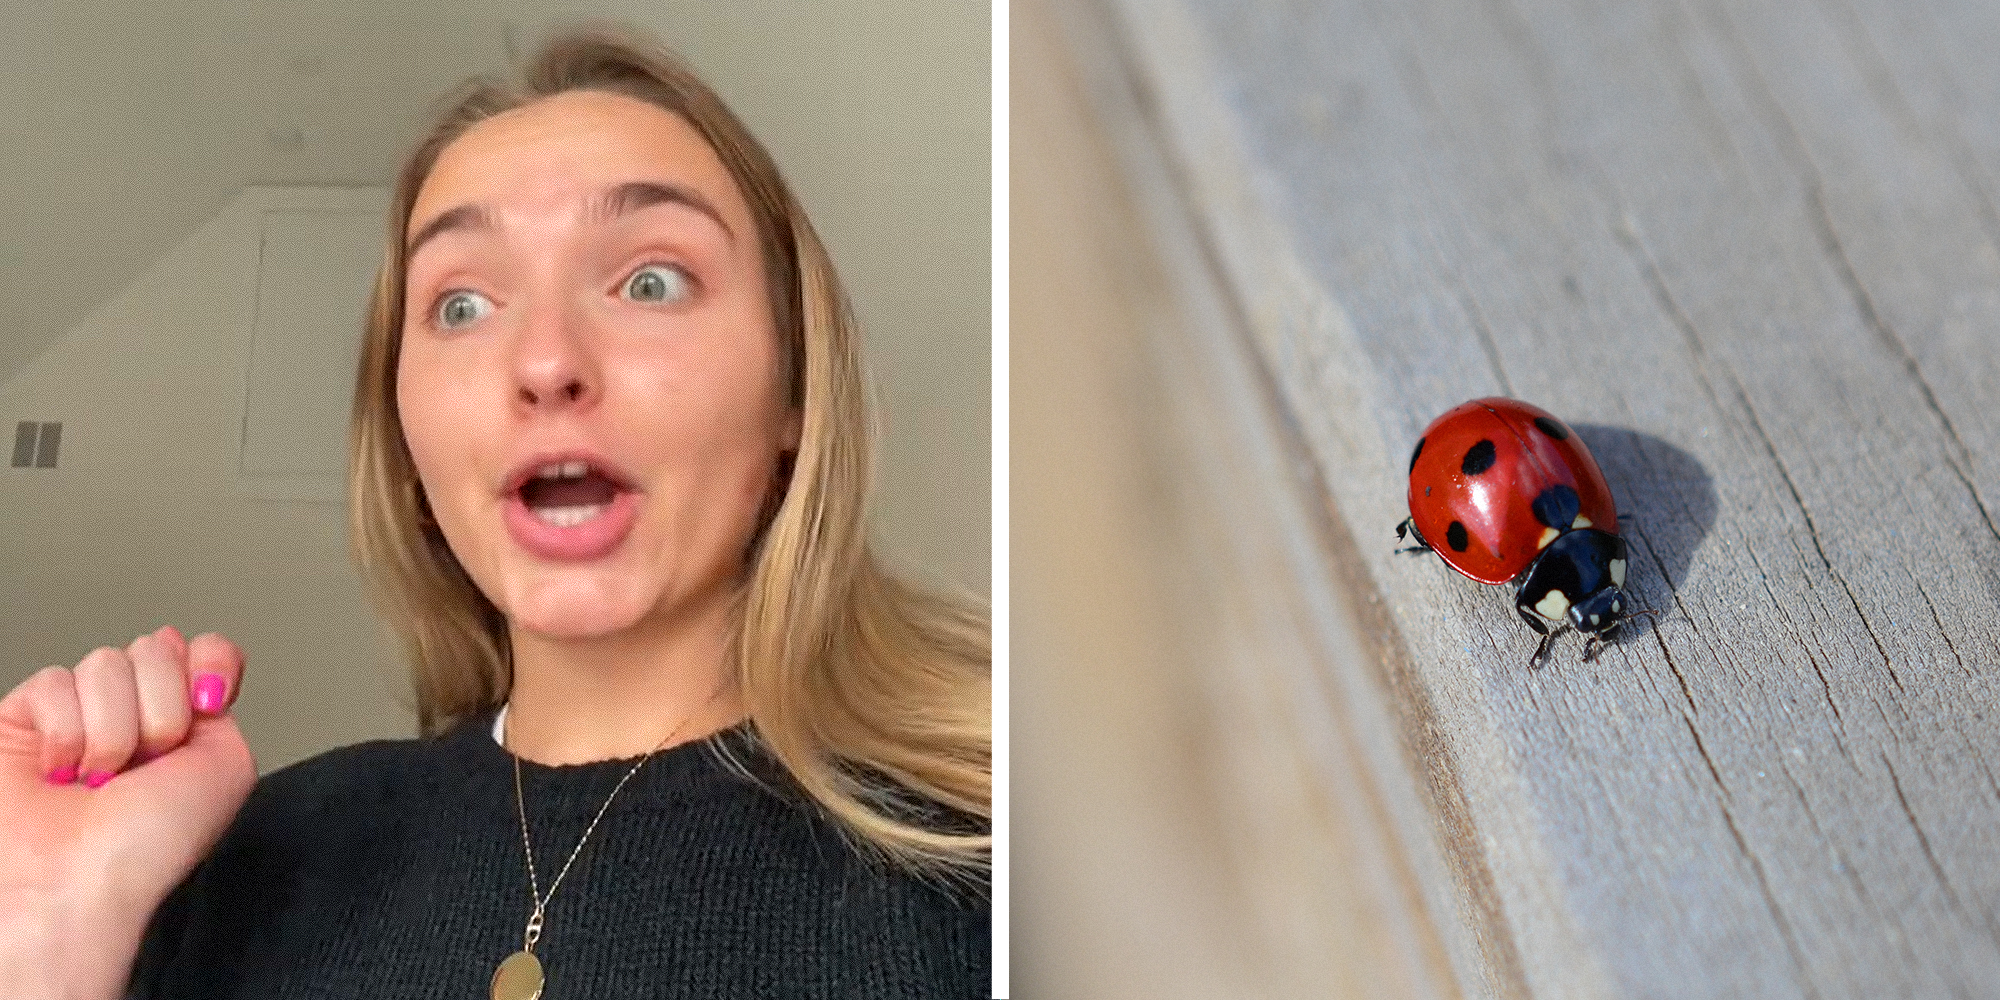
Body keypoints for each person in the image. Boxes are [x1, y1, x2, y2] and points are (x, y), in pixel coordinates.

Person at [0, 24, 990, 999]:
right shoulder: (239, 866)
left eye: (650, 280)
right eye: (463, 305)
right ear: (403, 430)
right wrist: (46, 938)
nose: (546, 361)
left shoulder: (1005, 867)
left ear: (794, 395)